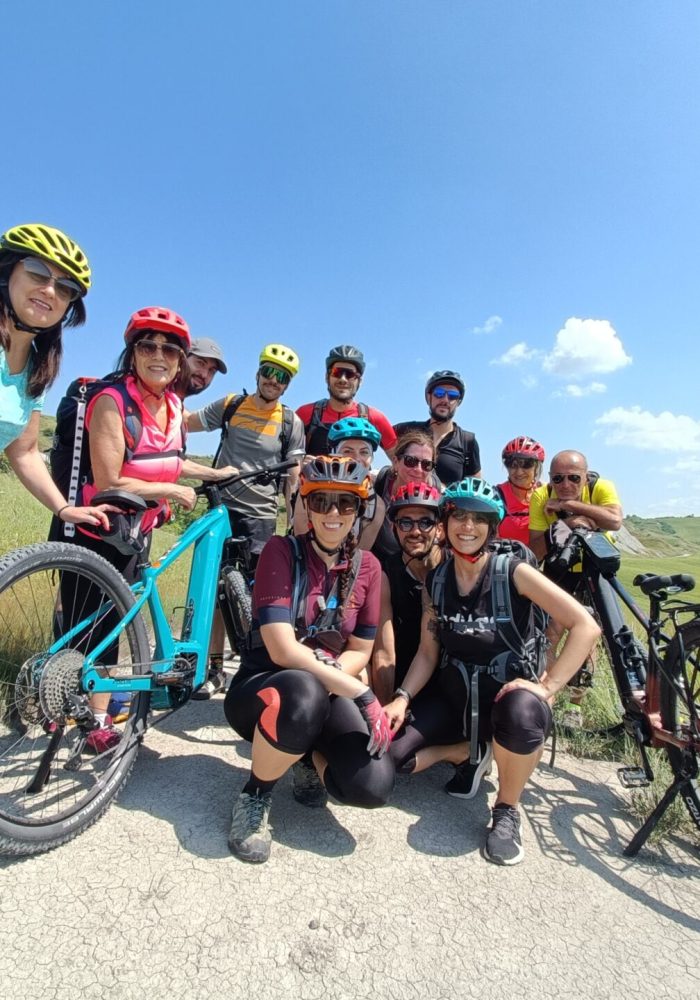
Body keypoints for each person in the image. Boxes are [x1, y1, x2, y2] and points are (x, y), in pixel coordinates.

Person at [384, 478, 599, 866]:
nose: (468, 526)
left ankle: (505, 809)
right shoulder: (439, 579)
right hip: (457, 700)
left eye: (479, 519)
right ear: (446, 523)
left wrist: (546, 688)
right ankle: (469, 751)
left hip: (505, 702)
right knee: (391, 759)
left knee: (522, 713)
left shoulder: (512, 572)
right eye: (459, 516)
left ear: (492, 526)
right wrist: (402, 699)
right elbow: (428, 654)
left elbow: (585, 626)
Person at [54, 306, 237, 750]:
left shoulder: (173, 406)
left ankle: (97, 721)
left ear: (179, 359)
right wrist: (174, 491)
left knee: (116, 624)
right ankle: (56, 712)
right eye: (147, 345)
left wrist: (212, 474)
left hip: (138, 531)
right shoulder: (111, 400)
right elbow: (111, 477)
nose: (159, 354)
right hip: (97, 527)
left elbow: (169, 461)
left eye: (169, 348)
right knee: (81, 628)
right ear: (132, 352)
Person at [223, 456, 394, 864]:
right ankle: (255, 795)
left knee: (372, 785)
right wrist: (361, 693)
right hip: (263, 688)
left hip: (325, 690)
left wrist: (333, 677)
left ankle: (301, 757)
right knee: (303, 688)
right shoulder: (281, 552)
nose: (333, 514)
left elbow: (360, 651)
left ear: (361, 510)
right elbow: (282, 649)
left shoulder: (368, 567)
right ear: (305, 505)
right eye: (321, 502)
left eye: (346, 504)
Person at [187, 343, 305, 698]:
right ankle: (214, 668)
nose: (273, 379)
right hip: (221, 509)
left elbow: (293, 476)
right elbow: (185, 424)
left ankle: (257, 666)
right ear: (257, 372)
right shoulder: (231, 406)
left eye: (281, 376)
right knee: (214, 592)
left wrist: (293, 523)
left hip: (261, 517)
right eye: (268, 371)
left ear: (287, 384)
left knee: (258, 597)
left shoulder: (290, 421)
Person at [0, 223, 112, 533]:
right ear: (7, 271)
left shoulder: (36, 369)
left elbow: (24, 451)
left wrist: (64, 508)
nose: (50, 290)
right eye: (37, 272)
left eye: (65, 288)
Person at [292, 415, 386, 550]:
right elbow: (302, 543)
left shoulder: (377, 505)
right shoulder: (312, 488)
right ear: (334, 453)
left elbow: (360, 554)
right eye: (348, 451)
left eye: (364, 452)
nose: (357, 458)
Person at [296, 344, 397, 457]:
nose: (343, 379)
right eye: (337, 372)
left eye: (350, 374)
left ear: (360, 381)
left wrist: (384, 473)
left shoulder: (375, 418)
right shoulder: (305, 414)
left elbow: (398, 461)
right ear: (326, 377)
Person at [394, 370, 480, 486]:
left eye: (452, 396)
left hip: (446, 504)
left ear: (458, 402)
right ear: (429, 397)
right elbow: (370, 435)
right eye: (439, 393)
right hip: (403, 502)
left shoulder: (467, 441)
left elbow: (475, 490)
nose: (445, 400)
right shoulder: (407, 430)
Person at [371, 428, 441, 567]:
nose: (418, 469)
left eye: (427, 464)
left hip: (416, 565)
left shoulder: (437, 493)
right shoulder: (377, 481)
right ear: (396, 462)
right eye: (410, 461)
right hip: (379, 563)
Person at [496, 436, 545, 546]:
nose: (519, 472)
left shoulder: (546, 493)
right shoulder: (496, 496)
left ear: (536, 467)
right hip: (506, 560)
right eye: (512, 465)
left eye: (526, 465)